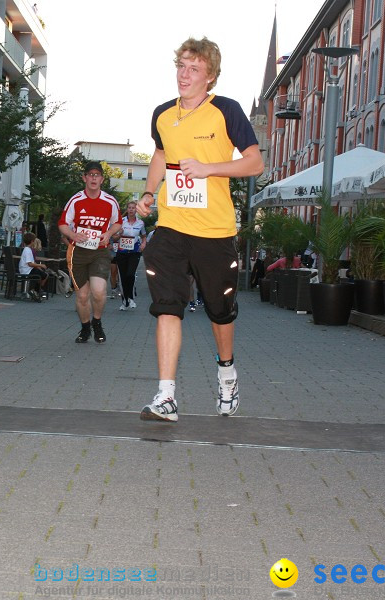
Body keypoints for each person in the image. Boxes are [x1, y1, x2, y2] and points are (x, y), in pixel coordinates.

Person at [137, 37, 264, 421]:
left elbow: (255, 163)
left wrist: (208, 169)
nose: (184, 74)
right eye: (181, 66)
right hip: (172, 227)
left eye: (194, 69)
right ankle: (166, 396)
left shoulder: (226, 111)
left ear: (210, 77)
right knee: (167, 307)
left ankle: (227, 374)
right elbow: (160, 154)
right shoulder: (162, 114)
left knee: (219, 312)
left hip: (215, 231)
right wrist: (148, 192)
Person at [58, 161, 121, 343]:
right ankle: (85, 328)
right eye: (90, 175)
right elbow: (62, 224)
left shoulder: (109, 201)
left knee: (99, 291)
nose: (93, 178)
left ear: (102, 179)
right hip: (78, 253)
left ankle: (97, 322)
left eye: (97, 175)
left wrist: (109, 233)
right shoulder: (76, 200)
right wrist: (73, 234)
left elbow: (117, 222)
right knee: (83, 296)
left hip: (100, 252)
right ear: (84, 178)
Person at [113, 201, 147, 311]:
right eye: (129, 208)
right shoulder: (120, 222)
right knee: (123, 277)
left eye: (133, 208)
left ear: (136, 210)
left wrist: (143, 244)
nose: (131, 209)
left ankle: (131, 298)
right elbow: (114, 238)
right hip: (122, 252)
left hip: (134, 252)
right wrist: (119, 234)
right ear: (127, 209)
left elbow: (143, 236)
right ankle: (125, 301)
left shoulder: (140, 223)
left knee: (130, 274)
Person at [19, 232, 48, 301]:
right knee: (45, 275)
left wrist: (38, 267)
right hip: (27, 271)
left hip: (26, 270)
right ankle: (36, 290)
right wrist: (41, 265)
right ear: (32, 241)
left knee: (41, 274)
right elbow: (30, 264)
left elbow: (32, 262)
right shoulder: (28, 250)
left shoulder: (27, 249)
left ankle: (36, 290)